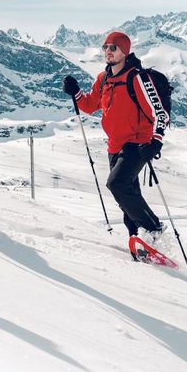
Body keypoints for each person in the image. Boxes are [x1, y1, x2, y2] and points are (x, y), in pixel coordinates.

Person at [63, 30, 169, 239]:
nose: (108, 51)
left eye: (113, 48)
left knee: (117, 184)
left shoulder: (138, 78)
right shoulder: (104, 79)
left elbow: (160, 112)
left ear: (125, 51)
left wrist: (156, 142)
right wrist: (75, 92)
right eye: (105, 47)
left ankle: (154, 229)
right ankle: (138, 240)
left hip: (137, 144)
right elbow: (89, 105)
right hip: (114, 145)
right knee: (127, 198)